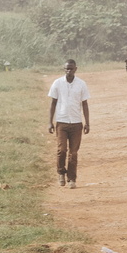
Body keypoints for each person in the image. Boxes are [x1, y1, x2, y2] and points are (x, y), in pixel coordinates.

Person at [48, 59, 90, 189]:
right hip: (61, 122)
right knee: (62, 150)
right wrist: (50, 122)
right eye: (67, 69)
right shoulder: (57, 83)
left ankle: (72, 179)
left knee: (74, 152)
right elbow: (53, 103)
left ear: (75, 69)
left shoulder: (81, 84)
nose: (69, 71)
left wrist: (87, 123)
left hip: (76, 123)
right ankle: (61, 172)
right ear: (64, 69)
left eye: (71, 68)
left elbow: (85, 104)